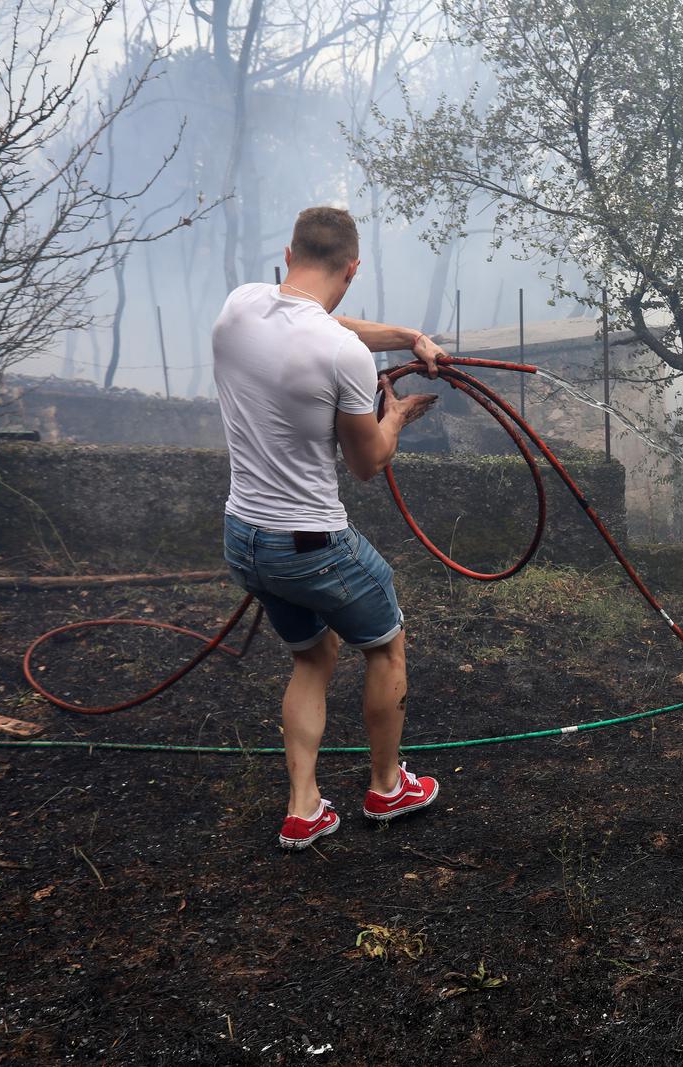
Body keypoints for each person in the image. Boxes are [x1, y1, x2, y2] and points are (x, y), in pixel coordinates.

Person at [214, 205, 448, 848]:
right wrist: (395, 415)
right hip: (311, 544)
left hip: (244, 539)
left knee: (313, 656)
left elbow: (320, 320)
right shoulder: (343, 356)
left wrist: (408, 336)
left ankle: (305, 807)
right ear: (353, 268)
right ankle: (387, 787)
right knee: (386, 644)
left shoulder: (239, 307)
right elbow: (369, 462)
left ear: (288, 257)